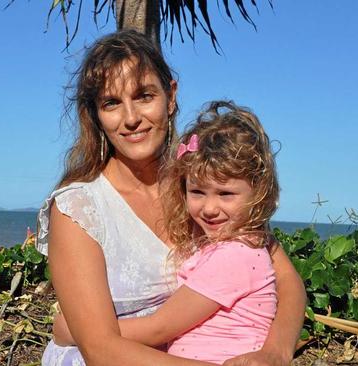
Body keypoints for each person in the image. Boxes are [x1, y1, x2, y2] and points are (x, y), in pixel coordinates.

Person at [36, 29, 306, 366]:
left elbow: (285, 277)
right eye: (112, 103)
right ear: (96, 114)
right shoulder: (79, 210)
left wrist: (275, 352)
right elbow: (101, 350)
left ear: (171, 95)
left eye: (144, 96)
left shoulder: (203, 187)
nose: (131, 118)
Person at [54, 101, 283, 365]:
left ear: (259, 194)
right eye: (197, 192)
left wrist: (77, 330)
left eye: (226, 194)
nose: (209, 208)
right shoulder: (232, 244)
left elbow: (159, 327)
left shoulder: (234, 256)